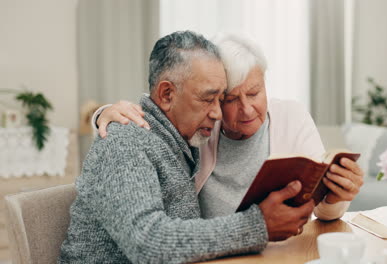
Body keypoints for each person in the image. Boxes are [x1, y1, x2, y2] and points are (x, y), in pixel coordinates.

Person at [59, 31, 315, 264]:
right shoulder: (126, 143)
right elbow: (148, 243)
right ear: (167, 95)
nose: (217, 114)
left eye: (220, 99)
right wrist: (257, 225)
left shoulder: (183, 139)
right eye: (208, 99)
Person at [93, 33, 364, 221]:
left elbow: (322, 212)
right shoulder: (203, 124)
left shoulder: (291, 116)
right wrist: (104, 113)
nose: (246, 109)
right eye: (230, 99)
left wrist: (336, 198)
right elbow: (159, 113)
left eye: (255, 92)